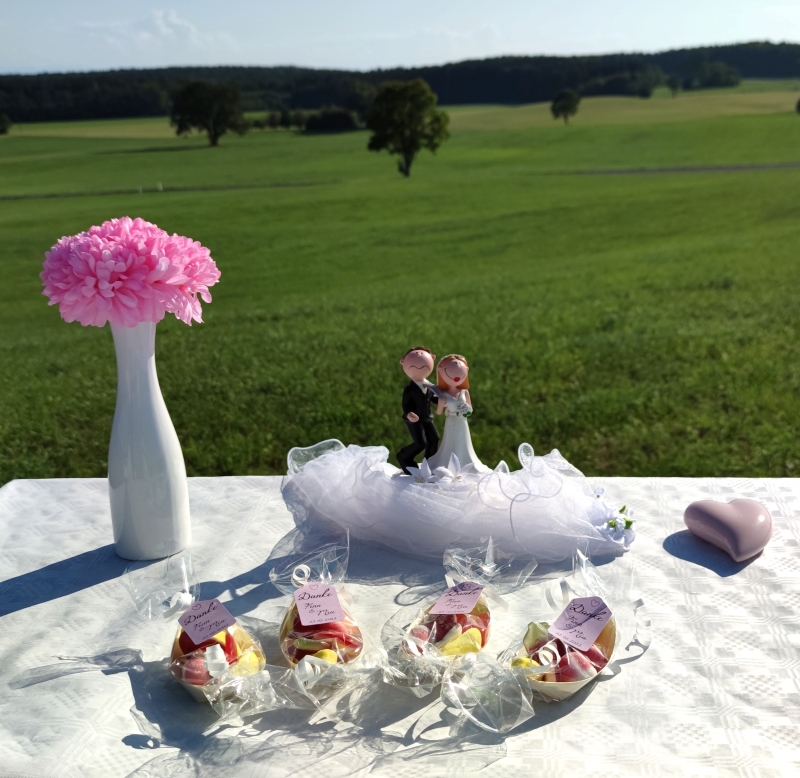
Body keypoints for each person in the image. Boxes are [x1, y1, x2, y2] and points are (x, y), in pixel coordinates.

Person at [427, 354, 490, 473]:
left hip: (462, 422)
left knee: (463, 442)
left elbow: (470, 409)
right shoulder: (443, 394)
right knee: (450, 443)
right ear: (441, 372)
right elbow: (439, 412)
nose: (456, 377)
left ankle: (465, 463)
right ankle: (447, 464)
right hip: (451, 420)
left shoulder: (464, 392)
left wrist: (466, 410)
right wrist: (440, 403)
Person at [396, 346, 441, 474]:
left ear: (432, 360)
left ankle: (429, 464)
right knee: (421, 442)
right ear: (403, 363)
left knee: (434, 439)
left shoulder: (430, 386)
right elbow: (406, 404)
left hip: (426, 418)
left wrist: (446, 402)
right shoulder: (409, 389)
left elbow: (434, 399)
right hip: (414, 420)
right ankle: (404, 456)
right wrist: (409, 413)